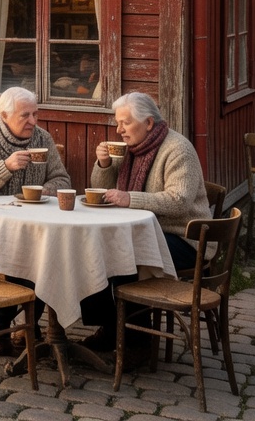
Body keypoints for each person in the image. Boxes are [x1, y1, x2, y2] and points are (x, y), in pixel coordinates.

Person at [78, 91, 210, 351]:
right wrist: (104, 164)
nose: (119, 130)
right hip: (144, 232)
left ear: (148, 123)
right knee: (90, 249)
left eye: (125, 123)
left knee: (127, 255)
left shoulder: (177, 149)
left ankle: (138, 342)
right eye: (118, 123)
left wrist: (131, 199)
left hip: (184, 238)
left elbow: (179, 200)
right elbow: (104, 190)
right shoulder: (131, 148)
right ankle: (112, 327)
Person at [0, 86, 71, 355]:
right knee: (17, 260)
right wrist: (5, 167)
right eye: (25, 116)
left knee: (48, 259)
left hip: (31, 225)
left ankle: (27, 324)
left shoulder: (41, 138)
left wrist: (43, 191)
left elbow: (62, 179)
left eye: (35, 114)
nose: (33, 121)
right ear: (5, 115)